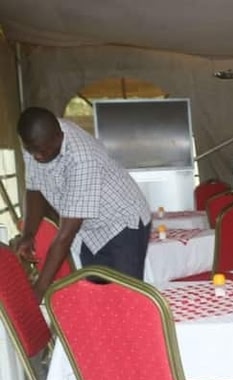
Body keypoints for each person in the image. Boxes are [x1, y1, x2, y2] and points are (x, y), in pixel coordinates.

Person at [14, 106, 152, 297]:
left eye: (44, 151)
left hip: (122, 223)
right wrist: (28, 234)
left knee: (126, 296)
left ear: (59, 136)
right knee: (96, 295)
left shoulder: (82, 158)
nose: (38, 156)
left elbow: (65, 235)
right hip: (89, 230)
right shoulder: (35, 142)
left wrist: (39, 290)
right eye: (32, 150)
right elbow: (34, 187)